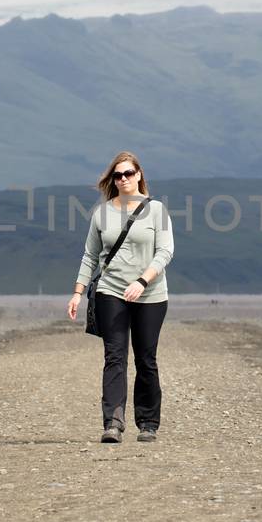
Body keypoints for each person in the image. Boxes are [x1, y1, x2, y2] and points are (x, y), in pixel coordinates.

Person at [68, 151, 175, 443]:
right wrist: (77, 293)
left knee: (146, 358)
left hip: (150, 293)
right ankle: (113, 422)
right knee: (114, 356)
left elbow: (165, 251)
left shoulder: (156, 210)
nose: (124, 179)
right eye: (118, 175)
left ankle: (148, 422)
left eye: (129, 173)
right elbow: (90, 256)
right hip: (111, 291)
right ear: (112, 180)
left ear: (139, 175)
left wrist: (143, 280)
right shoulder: (102, 214)